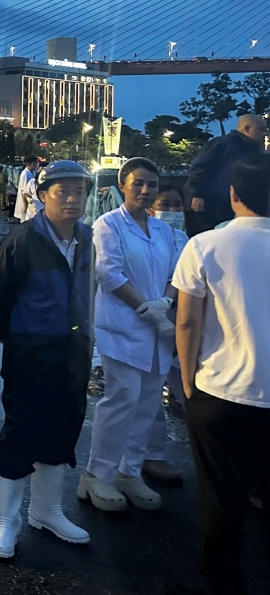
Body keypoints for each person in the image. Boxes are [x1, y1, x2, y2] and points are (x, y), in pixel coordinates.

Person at [0, 160, 96, 559]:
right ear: (43, 196)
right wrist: (15, 335)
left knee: (63, 427)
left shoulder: (87, 239)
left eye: (80, 191)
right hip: (31, 351)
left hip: (73, 350)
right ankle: (7, 520)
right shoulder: (23, 240)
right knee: (22, 430)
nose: (73, 199)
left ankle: (47, 511)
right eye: (64, 192)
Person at [172, 152, 270, 595]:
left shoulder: (205, 245)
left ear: (232, 195)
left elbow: (187, 322)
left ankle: (223, 582)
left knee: (220, 496)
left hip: (221, 392)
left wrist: (187, 380)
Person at [78, 158, 183, 513]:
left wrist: (164, 303)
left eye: (151, 184)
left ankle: (130, 471)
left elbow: (176, 273)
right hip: (123, 327)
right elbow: (109, 273)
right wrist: (146, 308)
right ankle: (97, 474)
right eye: (138, 183)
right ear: (123, 185)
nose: (145, 190)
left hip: (159, 330)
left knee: (149, 402)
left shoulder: (165, 232)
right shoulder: (109, 224)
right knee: (122, 398)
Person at [145, 182, 190, 484]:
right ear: (152, 208)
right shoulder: (144, 237)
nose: (172, 211)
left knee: (191, 394)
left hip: (183, 326)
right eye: (165, 205)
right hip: (152, 324)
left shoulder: (186, 240)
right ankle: (152, 457)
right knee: (149, 396)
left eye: (177, 205)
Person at [184, 113, 266, 235]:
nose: (264, 133)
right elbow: (200, 166)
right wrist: (196, 194)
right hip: (210, 205)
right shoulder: (223, 143)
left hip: (236, 206)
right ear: (247, 129)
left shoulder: (256, 150)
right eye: (261, 129)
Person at [12, 156, 40, 223]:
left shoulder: (32, 172)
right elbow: (23, 191)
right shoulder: (25, 174)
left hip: (30, 202)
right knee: (25, 222)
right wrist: (25, 206)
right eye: (36, 162)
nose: (37, 164)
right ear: (32, 163)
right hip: (25, 202)